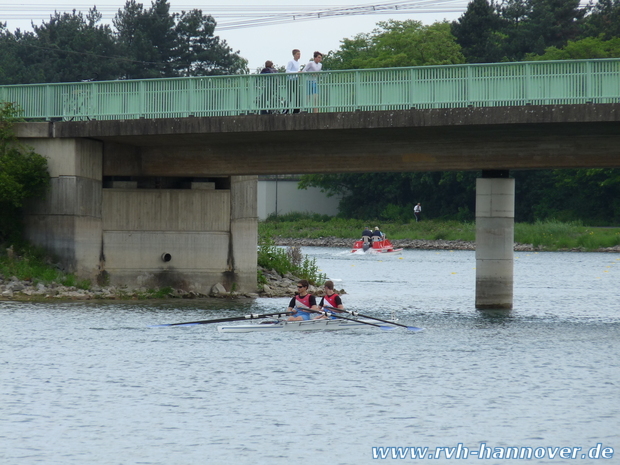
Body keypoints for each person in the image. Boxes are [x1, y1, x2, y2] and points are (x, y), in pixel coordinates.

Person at [285, 49, 302, 114]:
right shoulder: (291, 62)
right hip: (290, 80)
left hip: (296, 80)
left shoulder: (298, 63)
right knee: (290, 96)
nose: (299, 56)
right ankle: (286, 109)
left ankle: (296, 110)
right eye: (297, 54)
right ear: (294, 55)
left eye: (299, 54)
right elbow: (287, 71)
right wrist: (296, 72)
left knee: (297, 95)